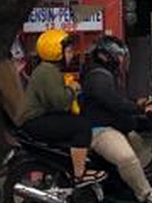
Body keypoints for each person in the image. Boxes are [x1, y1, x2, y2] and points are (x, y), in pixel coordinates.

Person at [79, 35, 152, 203]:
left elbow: (118, 99)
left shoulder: (105, 74)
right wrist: (140, 109)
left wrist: (140, 102)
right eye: (118, 56)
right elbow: (115, 103)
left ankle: (128, 183)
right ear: (106, 56)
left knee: (139, 145)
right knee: (128, 158)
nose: (121, 60)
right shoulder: (98, 77)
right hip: (99, 130)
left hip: (110, 126)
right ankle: (147, 196)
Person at [19, 30, 104, 187]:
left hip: (39, 119)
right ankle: (80, 175)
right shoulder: (47, 72)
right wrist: (72, 89)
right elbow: (59, 102)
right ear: (56, 52)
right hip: (35, 122)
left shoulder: (48, 70)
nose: (72, 55)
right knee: (81, 126)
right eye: (69, 51)